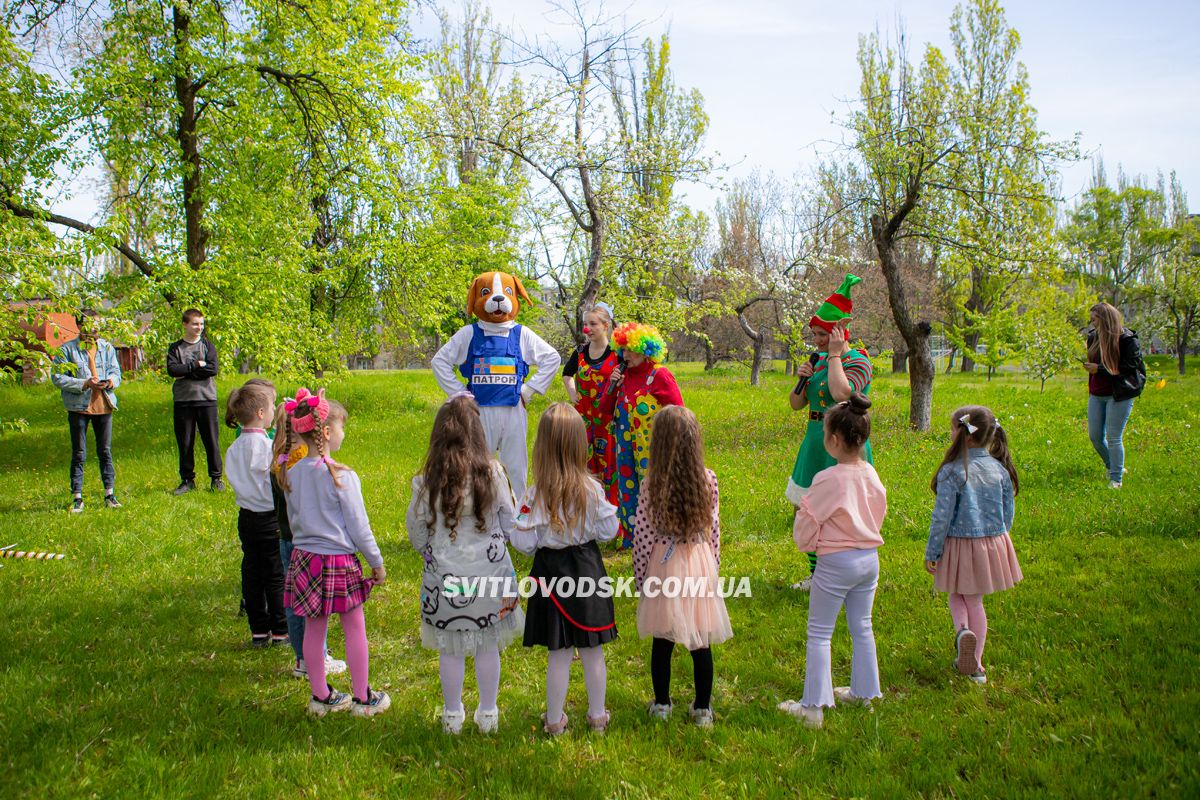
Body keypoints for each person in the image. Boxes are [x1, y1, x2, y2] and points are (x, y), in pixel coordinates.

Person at [406, 395, 524, 735]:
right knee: (488, 646)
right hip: (490, 577)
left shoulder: (427, 480)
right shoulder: (493, 472)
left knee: (451, 649)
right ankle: (488, 712)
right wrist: (497, 542)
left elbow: (415, 528)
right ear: (479, 433)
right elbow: (509, 520)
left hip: (445, 577)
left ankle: (452, 714)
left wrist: (429, 551)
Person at [778, 393, 885, 730]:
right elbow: (878, 513)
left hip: (836, 561)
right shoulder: (870, 474)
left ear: (834, 440)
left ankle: (813, 707)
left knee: (820, 633)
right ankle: (864, 693)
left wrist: (808, 543)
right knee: (862, 627)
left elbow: (808, 521)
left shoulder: (827, 479)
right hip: (869, 559)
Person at [281, 388, 390, 717]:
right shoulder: (343, 476)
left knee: (315, 628)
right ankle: (362, 698)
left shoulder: (292, 473)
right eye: (342, 427)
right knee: (355, 627)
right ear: (326, 432)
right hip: (339, 561)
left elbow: (292, 519)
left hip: (305, 559)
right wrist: (377, 563)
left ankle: (321, 696)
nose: (344, 433)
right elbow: (359, 527)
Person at [512, 403, 619, 735]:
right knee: (592, 651)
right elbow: (610, 530)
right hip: (587, 571)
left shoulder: (535, 494)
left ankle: (555, 721)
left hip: (550, 576)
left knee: (559, 654)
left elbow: (523, 543)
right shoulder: (591, 489)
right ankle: (598, 717)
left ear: (541, 446)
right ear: (580, 445)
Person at [631, 406, 731, 728]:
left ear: (658, 443)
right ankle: (703, 709)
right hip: (698, 560)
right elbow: (714, 529)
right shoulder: (708, 479)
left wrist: (640, 576)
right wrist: (712, 566)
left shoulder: (651, 484)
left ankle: (662, 704)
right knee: (700, 638)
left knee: (663, 638)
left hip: (664, 563)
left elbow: (643, 536)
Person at [430, 271, 561, 502]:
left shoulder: (522, 334)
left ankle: (518, 519)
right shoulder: (469, 333)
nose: (499, 300)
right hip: (479, 414)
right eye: (487, 293)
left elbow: (552, 358)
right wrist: (460, 394)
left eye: (507, 293)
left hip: (513, 410)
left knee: (516, 467)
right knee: (477, 465)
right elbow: (439, 361)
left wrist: (529, 390)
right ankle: (480, 513)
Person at [924, 405, 1023, 685]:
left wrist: (933, 552)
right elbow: (1008, 514)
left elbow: (941, 517)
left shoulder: (952, 472)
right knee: (975, 600)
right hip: (991, 543)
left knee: (957, 594)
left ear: (964, 435)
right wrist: (998, 542)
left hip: (958, 544)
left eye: (953, 430)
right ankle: (976, 666)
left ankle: (963, 632)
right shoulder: (1000, 470)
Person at [785, 275, 873, 590]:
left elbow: (841, 394)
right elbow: (797, 404)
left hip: (843, 444)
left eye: (823, 334)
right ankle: (816, 573)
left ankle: (843, 572)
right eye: (815, 335)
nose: (817, 341)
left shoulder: (857, 360)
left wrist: (835, 355)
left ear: (838, 332)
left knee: (840, 512)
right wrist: (803, 378)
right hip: (815, 441)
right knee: (806, 509)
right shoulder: (818, 360)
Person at [270, 402, 347, 680]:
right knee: (313, 606)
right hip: (307, 541)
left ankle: (303, 659)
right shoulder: (300, 458)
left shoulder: (278, 456)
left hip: (287, 537)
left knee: (294, 603)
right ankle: (317, 657)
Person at [599, 322, 683, 548]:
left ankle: (661, 536)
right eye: (622, 349)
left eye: (629, 349)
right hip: (624, 449)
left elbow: (680, 413)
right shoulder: (620, 377)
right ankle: (633, 537)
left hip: (654, 450)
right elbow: (605, 409)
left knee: (656, 489)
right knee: (627, 490)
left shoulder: (659, 375)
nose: (624, 355)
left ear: (645, 350)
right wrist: (613, 385)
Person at [224, 380, 288, 649]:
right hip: (268, 518)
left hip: (246, 517)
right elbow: (276, 484)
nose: (274, 410)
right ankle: (281, 630)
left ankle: (258, 631)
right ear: (261, 413)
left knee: (251, 573)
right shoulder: (266, 449)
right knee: (275, 575)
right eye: (272, 406)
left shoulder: (233, 449)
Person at [51, 309, 122, 512]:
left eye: (98, 324)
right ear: (80, 326)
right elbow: (57, 378)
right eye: (91, 325)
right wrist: (84, 383)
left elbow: (116, 372)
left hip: (104, 405)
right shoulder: (67, 350)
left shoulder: (107, 347)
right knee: (79, 453)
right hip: (78, 408)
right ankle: (77, 497)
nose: (95, 329)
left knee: (105, 451)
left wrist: (109, 382)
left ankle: (109, 494)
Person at [561, 302, 620, 506]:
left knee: (609, 467)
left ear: (606, 325)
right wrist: (572, 393)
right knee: (582, 465)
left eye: (593, 324)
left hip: (608, 421)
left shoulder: (617, 354)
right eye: (586, 324)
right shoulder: (580, 351)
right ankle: (586, 510)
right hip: (583, 419)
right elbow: (567, 374)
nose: (588, 329)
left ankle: (610, 514)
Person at [1084, 302, 1146, 489]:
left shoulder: (1127, 339)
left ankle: (1116, 479)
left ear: (1105, 319)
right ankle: (1112, 466)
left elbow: (1130, 366)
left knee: (1113, 437)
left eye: (1094, 319)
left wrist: (1100, 369)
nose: (1092, 323)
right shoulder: (1093, 337)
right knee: (1095, 436)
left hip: (1119, 393)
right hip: (1097, 393)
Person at [167, 308, 223, 494]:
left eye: (201, 324)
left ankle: (216, 479)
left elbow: (213, 369)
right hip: (183, 401)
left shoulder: (208, 346)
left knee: (211, 441)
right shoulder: (175, 348)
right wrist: (196, 365)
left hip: (206, 400)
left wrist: (187, 371)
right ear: (185, 324)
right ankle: (187, 480)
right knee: (185, 442)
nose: (199, 327)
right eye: (195, 324)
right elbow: (173, 370)